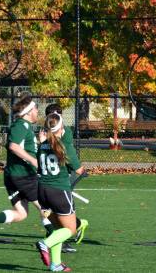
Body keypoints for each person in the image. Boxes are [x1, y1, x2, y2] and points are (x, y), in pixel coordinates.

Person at [0, 95, 50, 236]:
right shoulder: (21, 125)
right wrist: (33, 161)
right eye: (35, 108)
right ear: (28, 112)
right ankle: (55, 238)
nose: (37, 111)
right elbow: (14, 146)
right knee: (46, 207)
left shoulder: (25, 126)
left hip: (15, 175)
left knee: (21, 213)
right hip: (23, 176)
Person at [35, 112, 80, 271]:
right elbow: (78, 169)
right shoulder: (64, 146)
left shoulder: (42, 146)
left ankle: (56, 264)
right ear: (61, 128)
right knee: (70, 230)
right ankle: (44, 244)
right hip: (59, 192)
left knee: (58, 229)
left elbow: (40, 168)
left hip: (42, 191)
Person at [43, 104, 89, 253]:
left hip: (43, 187)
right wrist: (82, 170)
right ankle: (48, 242)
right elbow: (75, 165)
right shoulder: (62, 144)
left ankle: (55, 263)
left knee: (55, 217)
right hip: (59, 185)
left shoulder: (42, 143)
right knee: (69, 226)